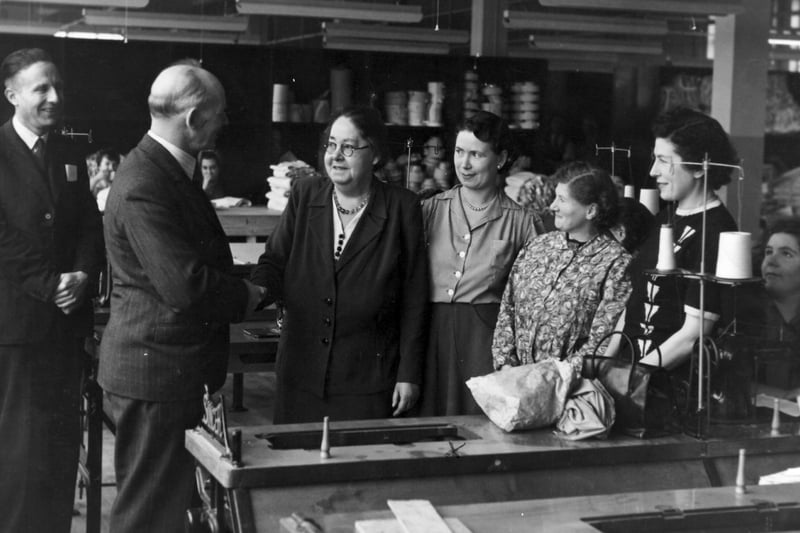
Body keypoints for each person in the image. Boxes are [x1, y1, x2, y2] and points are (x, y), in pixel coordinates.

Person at [98, 63, 265, 533]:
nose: (225, 124)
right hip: (156, 377)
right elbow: (186, 285)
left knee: (170, 507)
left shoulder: (168, 170)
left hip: (170, 371)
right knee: (147, 512)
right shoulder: (145, 183)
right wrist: (250, 294)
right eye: (219, 115)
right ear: (192, 119)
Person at [251, 106, 428, 424]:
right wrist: (253, 292)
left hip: (367, 378)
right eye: (331, 145)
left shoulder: (402, 207)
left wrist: (408, 373)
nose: (335, 156)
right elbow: (274, 260)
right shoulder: (305, 195)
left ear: (374, 154)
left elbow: (414, 297)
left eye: (348, 147)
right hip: (301, 370)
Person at [0, 47, 104, 533]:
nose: (54, 97)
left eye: (57, 86)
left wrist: (83, 274)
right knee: (20, 455)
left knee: (63, 452)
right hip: (18, 331)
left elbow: (88, 223)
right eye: (41, 88)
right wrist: (50, 285)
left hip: (66, 328)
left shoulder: (68, 150)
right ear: (11, 94)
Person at [419, 111, 540, 416]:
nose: (465, 164)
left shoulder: (522, 222)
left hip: (484, 339)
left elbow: (533, 299)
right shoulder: (429, 210)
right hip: (429, 333)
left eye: (476, 154)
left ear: (500, 159)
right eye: (460, 152)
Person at [609, 107, 738, 372]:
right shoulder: (665, 218)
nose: (654, 171)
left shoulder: (717, 230)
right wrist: (604, 364)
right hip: (628, 371)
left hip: (663, 383)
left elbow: (693, 334)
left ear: (700, 167)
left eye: (664, 161)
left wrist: (632, 378)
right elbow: (635, 302)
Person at [492, 161, 631, 372]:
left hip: (568, 390)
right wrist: (505, 365)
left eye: (562, 199)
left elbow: (603, 340)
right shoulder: (538, 246)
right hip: (514, 381)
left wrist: (551, 380)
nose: (552, 206)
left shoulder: (616, 262)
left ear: (591, 210)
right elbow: (507, 307)